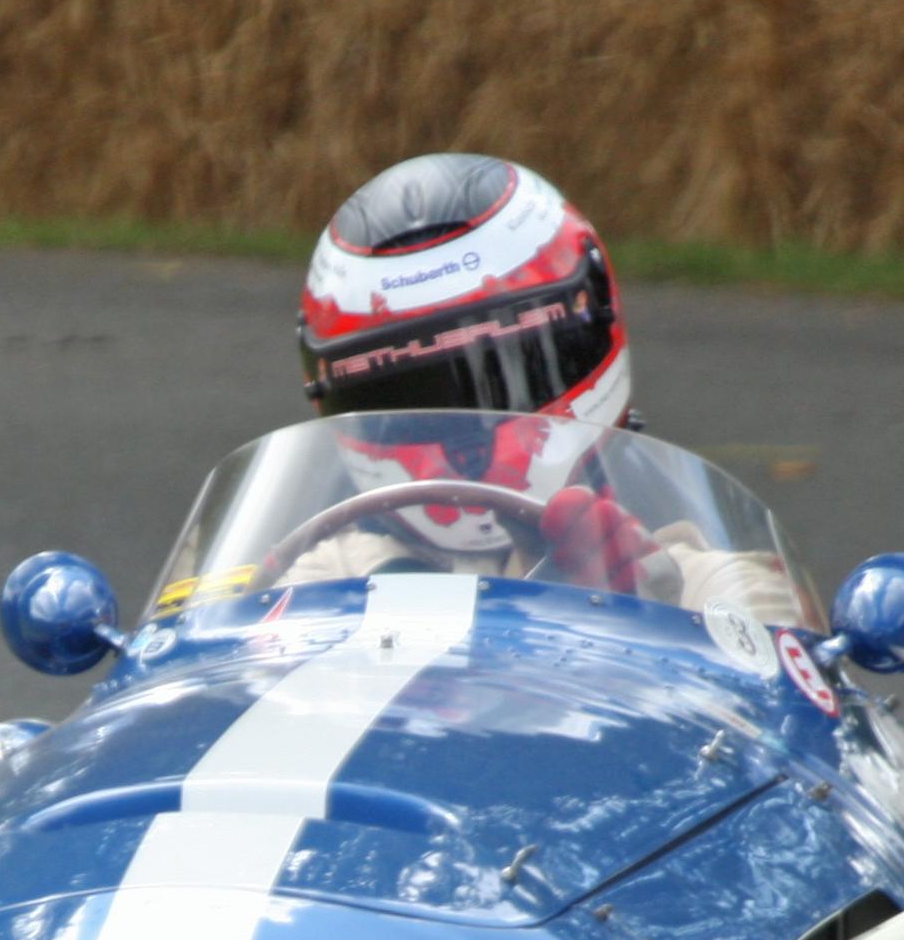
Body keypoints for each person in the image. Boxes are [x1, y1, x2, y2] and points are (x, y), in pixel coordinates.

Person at [285, 154, 801, 619]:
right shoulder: (321, 583)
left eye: (501, 375)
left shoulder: (706, 590)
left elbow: (774, 658)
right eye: (406, 394)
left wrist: (646, 620)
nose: (464, 436)